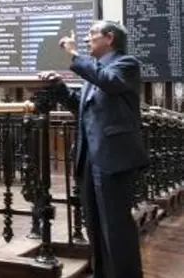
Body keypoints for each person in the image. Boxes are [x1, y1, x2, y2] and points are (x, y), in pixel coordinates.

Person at [37, 20, 148, 278]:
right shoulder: (94, 71)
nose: (87, 39)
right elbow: (81, 106)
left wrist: (74, 55)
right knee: (95, 225)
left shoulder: (126, 64)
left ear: (109, 38)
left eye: (92, 34)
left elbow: (108, 81)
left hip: (113, 157)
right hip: (89, 156)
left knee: (116, 226)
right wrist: (58, 86)